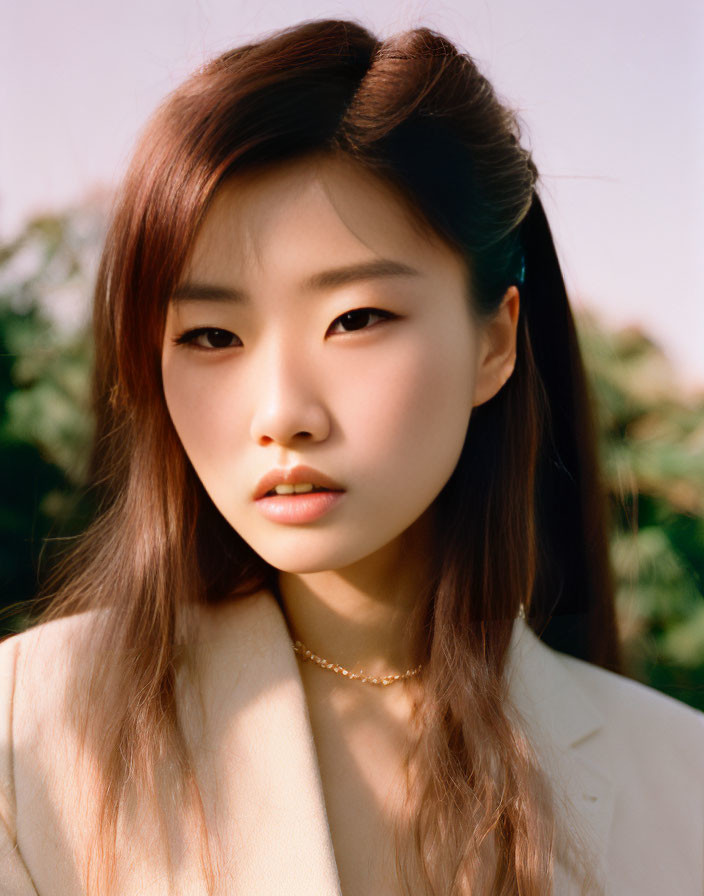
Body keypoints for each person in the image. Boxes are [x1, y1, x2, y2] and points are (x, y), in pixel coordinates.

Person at [1, 17, 703, 896]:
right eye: (213, 335)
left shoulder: (683, 786)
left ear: (495, 341)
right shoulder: (27, 734)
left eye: (356, 320)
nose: (282, 414)